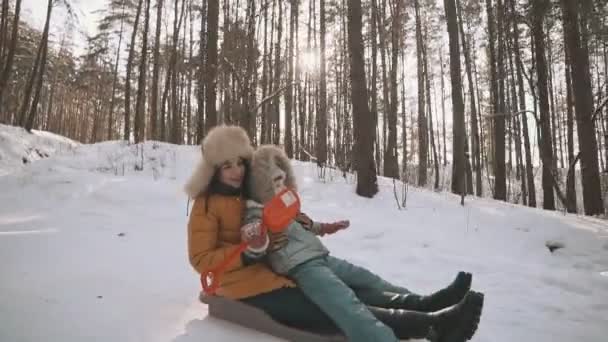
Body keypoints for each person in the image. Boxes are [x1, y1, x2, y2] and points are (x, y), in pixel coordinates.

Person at [185, 125, 483, 342]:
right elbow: (201, 259)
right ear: (213, 169)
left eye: (240, 163)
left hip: (279, 271)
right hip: (245, 286)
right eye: (227, 166)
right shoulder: (206, 205)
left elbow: (283, 218)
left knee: (365, 287)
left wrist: (318, 227)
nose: (236, 171)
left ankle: (427, 306)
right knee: (336, 306)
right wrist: (250, 250)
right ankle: (430, 326)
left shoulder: (250, 194)